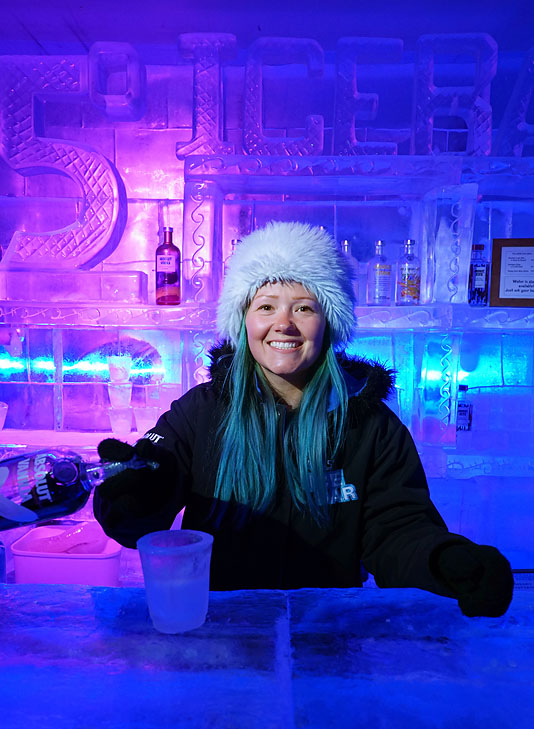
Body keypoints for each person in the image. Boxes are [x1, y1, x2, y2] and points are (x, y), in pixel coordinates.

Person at [94, 221, 513, 617]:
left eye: (304, 308)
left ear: (328, 322)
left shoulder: (371, 427)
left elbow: (397, 530)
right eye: (266, 306)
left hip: (329, 642)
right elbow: (143, 509)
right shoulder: (200, 412)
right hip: (223, 641)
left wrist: (444, 561)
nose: (284, 324)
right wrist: (132, 489)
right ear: (243, 321)